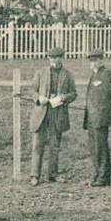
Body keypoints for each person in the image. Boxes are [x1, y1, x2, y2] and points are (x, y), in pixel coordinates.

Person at [29, 46, 77, 186]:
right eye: (52, 58)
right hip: (41, 113)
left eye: (58, 57)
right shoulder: (40, 73)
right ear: (48, 59)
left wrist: (63, 98)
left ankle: (53, 174)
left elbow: (73, 93)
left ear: (62, 58)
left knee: (55, 146)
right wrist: (39, 98)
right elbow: (32, 91)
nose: (55, 60)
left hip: (57, 113)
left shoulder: (68, 74)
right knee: (38, 145)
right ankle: (34, 175)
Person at [82, 48, 111, 187]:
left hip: (100, 117)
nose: (93, 63)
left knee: (100, 147)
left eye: (95, 60)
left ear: (101, 60)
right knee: (94, 148)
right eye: (91, 60)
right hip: (91, 117)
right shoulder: (93, 76)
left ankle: (103, 177)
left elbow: (104, 97)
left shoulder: (107, 74)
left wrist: (100, 116)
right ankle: (98, 173)